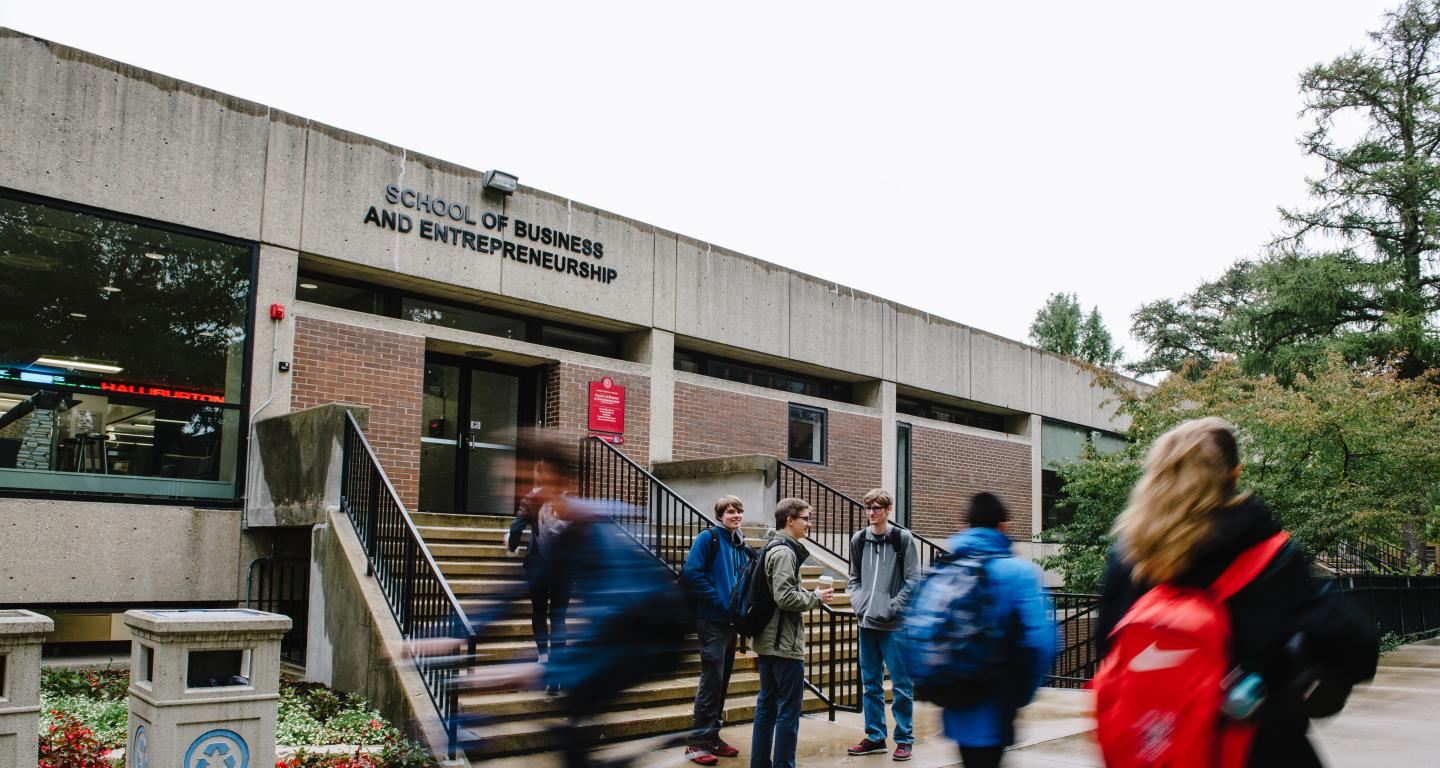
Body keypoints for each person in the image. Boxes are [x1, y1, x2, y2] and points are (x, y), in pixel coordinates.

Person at [1095, 417, 1378, 768]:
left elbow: (1109, 647)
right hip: (1256, 746)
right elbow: (1353, 642)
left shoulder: (1128, 557)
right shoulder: (1268, 553)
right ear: (1234, 475)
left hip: (1155, 748)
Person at [941, 493, 1057, 768]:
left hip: (955, 705)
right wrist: (1021, 694)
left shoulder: (948, 569)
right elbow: (1041, 642)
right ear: (1002, 527)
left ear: (965, 527)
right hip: (996, 707)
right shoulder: (1019, 573)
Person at [751, 498, 833, 768]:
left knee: (767, 708)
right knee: (787, 710)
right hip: (783, 644)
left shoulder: (771, 547)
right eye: (806, 518)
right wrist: (816, 597)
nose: (809, 524)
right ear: (790, 520)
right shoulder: (784, 552)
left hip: (768, 641)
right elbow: (785, 598)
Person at [846, 489, 921, 761]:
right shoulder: (858, 539)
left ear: (889, 510)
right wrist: (859, 602)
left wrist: (891, 607)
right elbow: (853, 577)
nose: (872, 512)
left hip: (895, 625)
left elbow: (913, 580)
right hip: (866, 623)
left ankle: (904, 738)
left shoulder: (902, 538)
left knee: (901, 684)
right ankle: (875, 736)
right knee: (870, 683)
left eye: (877, 508)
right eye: (868, 508)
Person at [681, 496, 753, 765]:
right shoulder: (708, 538)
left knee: (721, 681)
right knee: (711, 680)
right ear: (720, 515)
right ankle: (696, 742)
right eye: (730, 512)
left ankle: (712, 735)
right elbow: (693, 573)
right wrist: (718, 601)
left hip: (730, 621)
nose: (735, 515)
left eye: (739, 511)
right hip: (711, 619)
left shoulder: (739, 543)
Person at [504, 458, 572, 674]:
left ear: (537, 475)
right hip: (564, 567)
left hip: (537, 563)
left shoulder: (532, 498)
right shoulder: (569, 499)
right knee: (559, 617)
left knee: (539, 612)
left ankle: (543, 656)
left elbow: (516, 528)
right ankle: (558, 662)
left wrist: (512, 547)